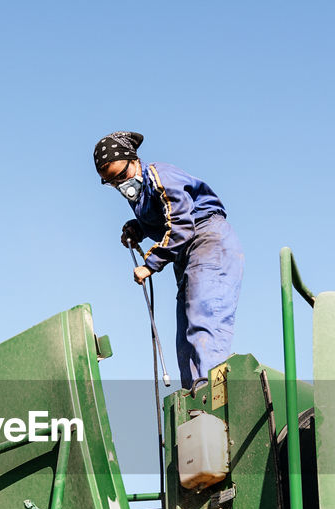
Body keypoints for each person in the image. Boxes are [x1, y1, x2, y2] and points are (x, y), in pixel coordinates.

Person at [94, 131, 244, 389]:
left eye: (122, 175)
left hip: (207, 241)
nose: (121, 185)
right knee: (185, 337)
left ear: (134, 161)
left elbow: (181, 225)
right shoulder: (140, 197)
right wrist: (138, 229)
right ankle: (193, 399)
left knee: (203, 318)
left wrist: (149, 264)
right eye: (112, 182)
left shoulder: (160, 176)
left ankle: (213, 393)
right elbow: (161, 218)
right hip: (186, 257)